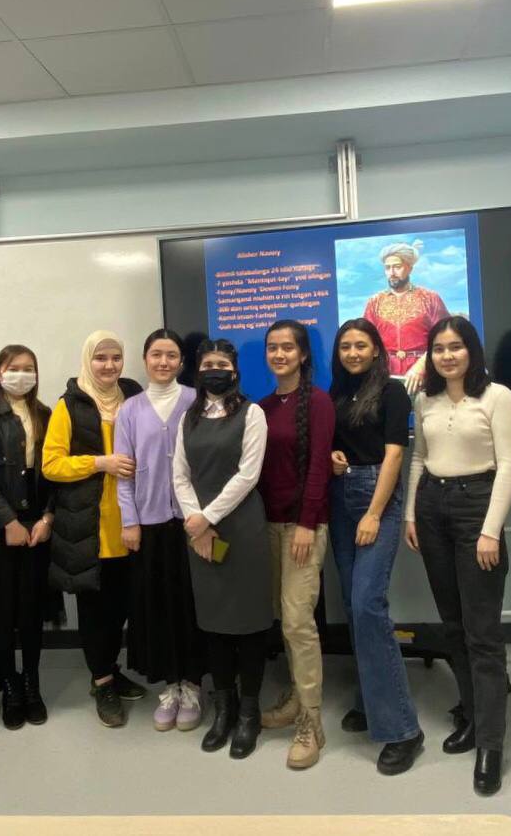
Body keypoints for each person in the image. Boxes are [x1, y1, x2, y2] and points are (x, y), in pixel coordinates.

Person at [404, 316, 511, 796]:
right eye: (438, 349)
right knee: (453, 625)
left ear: (472, 350)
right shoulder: (424, 399)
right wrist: (411, 514)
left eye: (456, 347)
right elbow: (417, 457)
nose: (447, 355)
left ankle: (491, 744)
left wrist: (490, 532)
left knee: (482, 633)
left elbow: (510, 466)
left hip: (478, 508)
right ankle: (472, 716)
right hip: (432, 507)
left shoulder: (497, 396)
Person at [327, 318, 424, 776]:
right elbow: (335, 445)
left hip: (375, 497)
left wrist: (374, 512)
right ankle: (370, 701)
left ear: (376, 350)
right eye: (345, 346)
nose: (352, 352)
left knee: (368, 604)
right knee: (352, 604)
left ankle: (402, 729)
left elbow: (395, 455)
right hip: (340, 494)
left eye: (360, 345)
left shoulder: (392, 391)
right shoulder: (335, 394)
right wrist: (333, 457)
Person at [172, 339, 272, 759]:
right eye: (208, 363)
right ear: (198, 371)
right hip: (200, 532)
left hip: (242, 528)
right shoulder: (189, 418)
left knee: (249, 623)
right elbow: (180, 474)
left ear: (235, 371)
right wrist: (195, 521)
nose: (215, 369)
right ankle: (224, 708)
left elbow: (248, 475)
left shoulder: (253, 414)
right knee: (213, 622)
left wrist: (206, 517)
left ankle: (249, 712)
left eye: (222, 363)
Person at [42, 330, 144, 727]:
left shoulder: (133, 396)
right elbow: (52, 465)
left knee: (122, 605)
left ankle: (110, 669)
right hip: (89, 526)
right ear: (88, 360)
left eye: (116, 357)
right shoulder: (69, 405)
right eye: (101, 358)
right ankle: (102, 682)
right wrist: (100, 463)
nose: (109, 365)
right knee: (95, 610)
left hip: (132, 522)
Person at [114, 329, 205, 732]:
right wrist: (129, 520)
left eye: (171, 355)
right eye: (156, 354)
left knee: (192, 604)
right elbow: (123, 472)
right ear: (145, 360)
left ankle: (193, 685)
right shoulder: (130, 410)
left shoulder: (196, 401)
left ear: (182, 362)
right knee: (159, 606)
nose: (163, 362)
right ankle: (170, 686)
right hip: (149, 524)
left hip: (193, 521)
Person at [256, 319, 335, 770]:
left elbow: (320, 467)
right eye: (273, 347)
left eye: (288, 347)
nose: (279, 354)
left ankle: (311, 721)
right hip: (266, 526)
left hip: (303, 528)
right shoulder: (261, 407)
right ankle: (294, 700)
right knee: (284, 620)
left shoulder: (319, 402)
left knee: (298, 622)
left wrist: (307, 523)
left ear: (303, 355)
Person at [0, 344, 56, 729]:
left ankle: (32, 684)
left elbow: (55, 472)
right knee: (2, 612)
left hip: (38, 526)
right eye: (14, 367)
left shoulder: (46, 414)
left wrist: (48, 516)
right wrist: (8, 521)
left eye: (28, 367)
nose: (22, 374)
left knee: (31, 610)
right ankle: (10, 686)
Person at [362, 241, 449, 382]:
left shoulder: (430, 298)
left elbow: (445, 336)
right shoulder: (374, 302)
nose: (392, 272)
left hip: (424, 373)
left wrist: (421, 366)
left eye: (397, 267)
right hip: (384, 375)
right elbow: (366, 340)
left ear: (410, 268)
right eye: (388, 268)